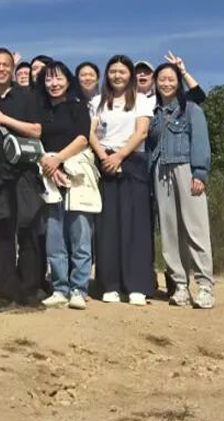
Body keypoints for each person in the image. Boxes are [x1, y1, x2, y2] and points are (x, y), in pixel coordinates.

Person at [0, 48, 45, 314]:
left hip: (25, 173)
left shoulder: (27, 96)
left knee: (29, 231)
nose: (1, 69)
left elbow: (36, 131)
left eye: (6, 64)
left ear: (12, 68)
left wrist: (4, 119)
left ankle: (29, 290)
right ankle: (1, 294)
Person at [147, 63, 214, 309]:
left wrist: (200, 173)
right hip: (160, 172)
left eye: (171, 79)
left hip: (186, 168)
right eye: (162, 79)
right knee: (170, 231)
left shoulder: (191, 109)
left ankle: (205, 286)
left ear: (178, 83)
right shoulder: (154, 114)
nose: (166, 83)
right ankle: (180, 286)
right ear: (155, 83)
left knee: (196, 228)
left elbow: (200, 141)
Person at [89, 55, 154, 306]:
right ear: (107, 74)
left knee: (135, 225)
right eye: (113, 71)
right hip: (105, 162)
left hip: (132, 162)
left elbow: (142, 132)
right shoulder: (97, 101)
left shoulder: (141, 100)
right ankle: (110, 284)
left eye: (122, 71)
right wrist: (105, 157)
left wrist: (120, 156)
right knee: (107, 226)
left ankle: (136, 285)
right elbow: (90, 133)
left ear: (130, 75)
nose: (117, 75)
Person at [37, 62, 98, 311]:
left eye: (59, 78)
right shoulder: (40, 109)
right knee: (55, 237)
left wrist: (58, 160)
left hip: (76, 175)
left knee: (80, 234)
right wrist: (50, 166)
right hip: (49, 176)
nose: (54, 84)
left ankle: (79, 289)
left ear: (68, 80)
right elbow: (36, 139)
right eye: (48, 79)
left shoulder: (77, 106)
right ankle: (60, 288)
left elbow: (83, 139)